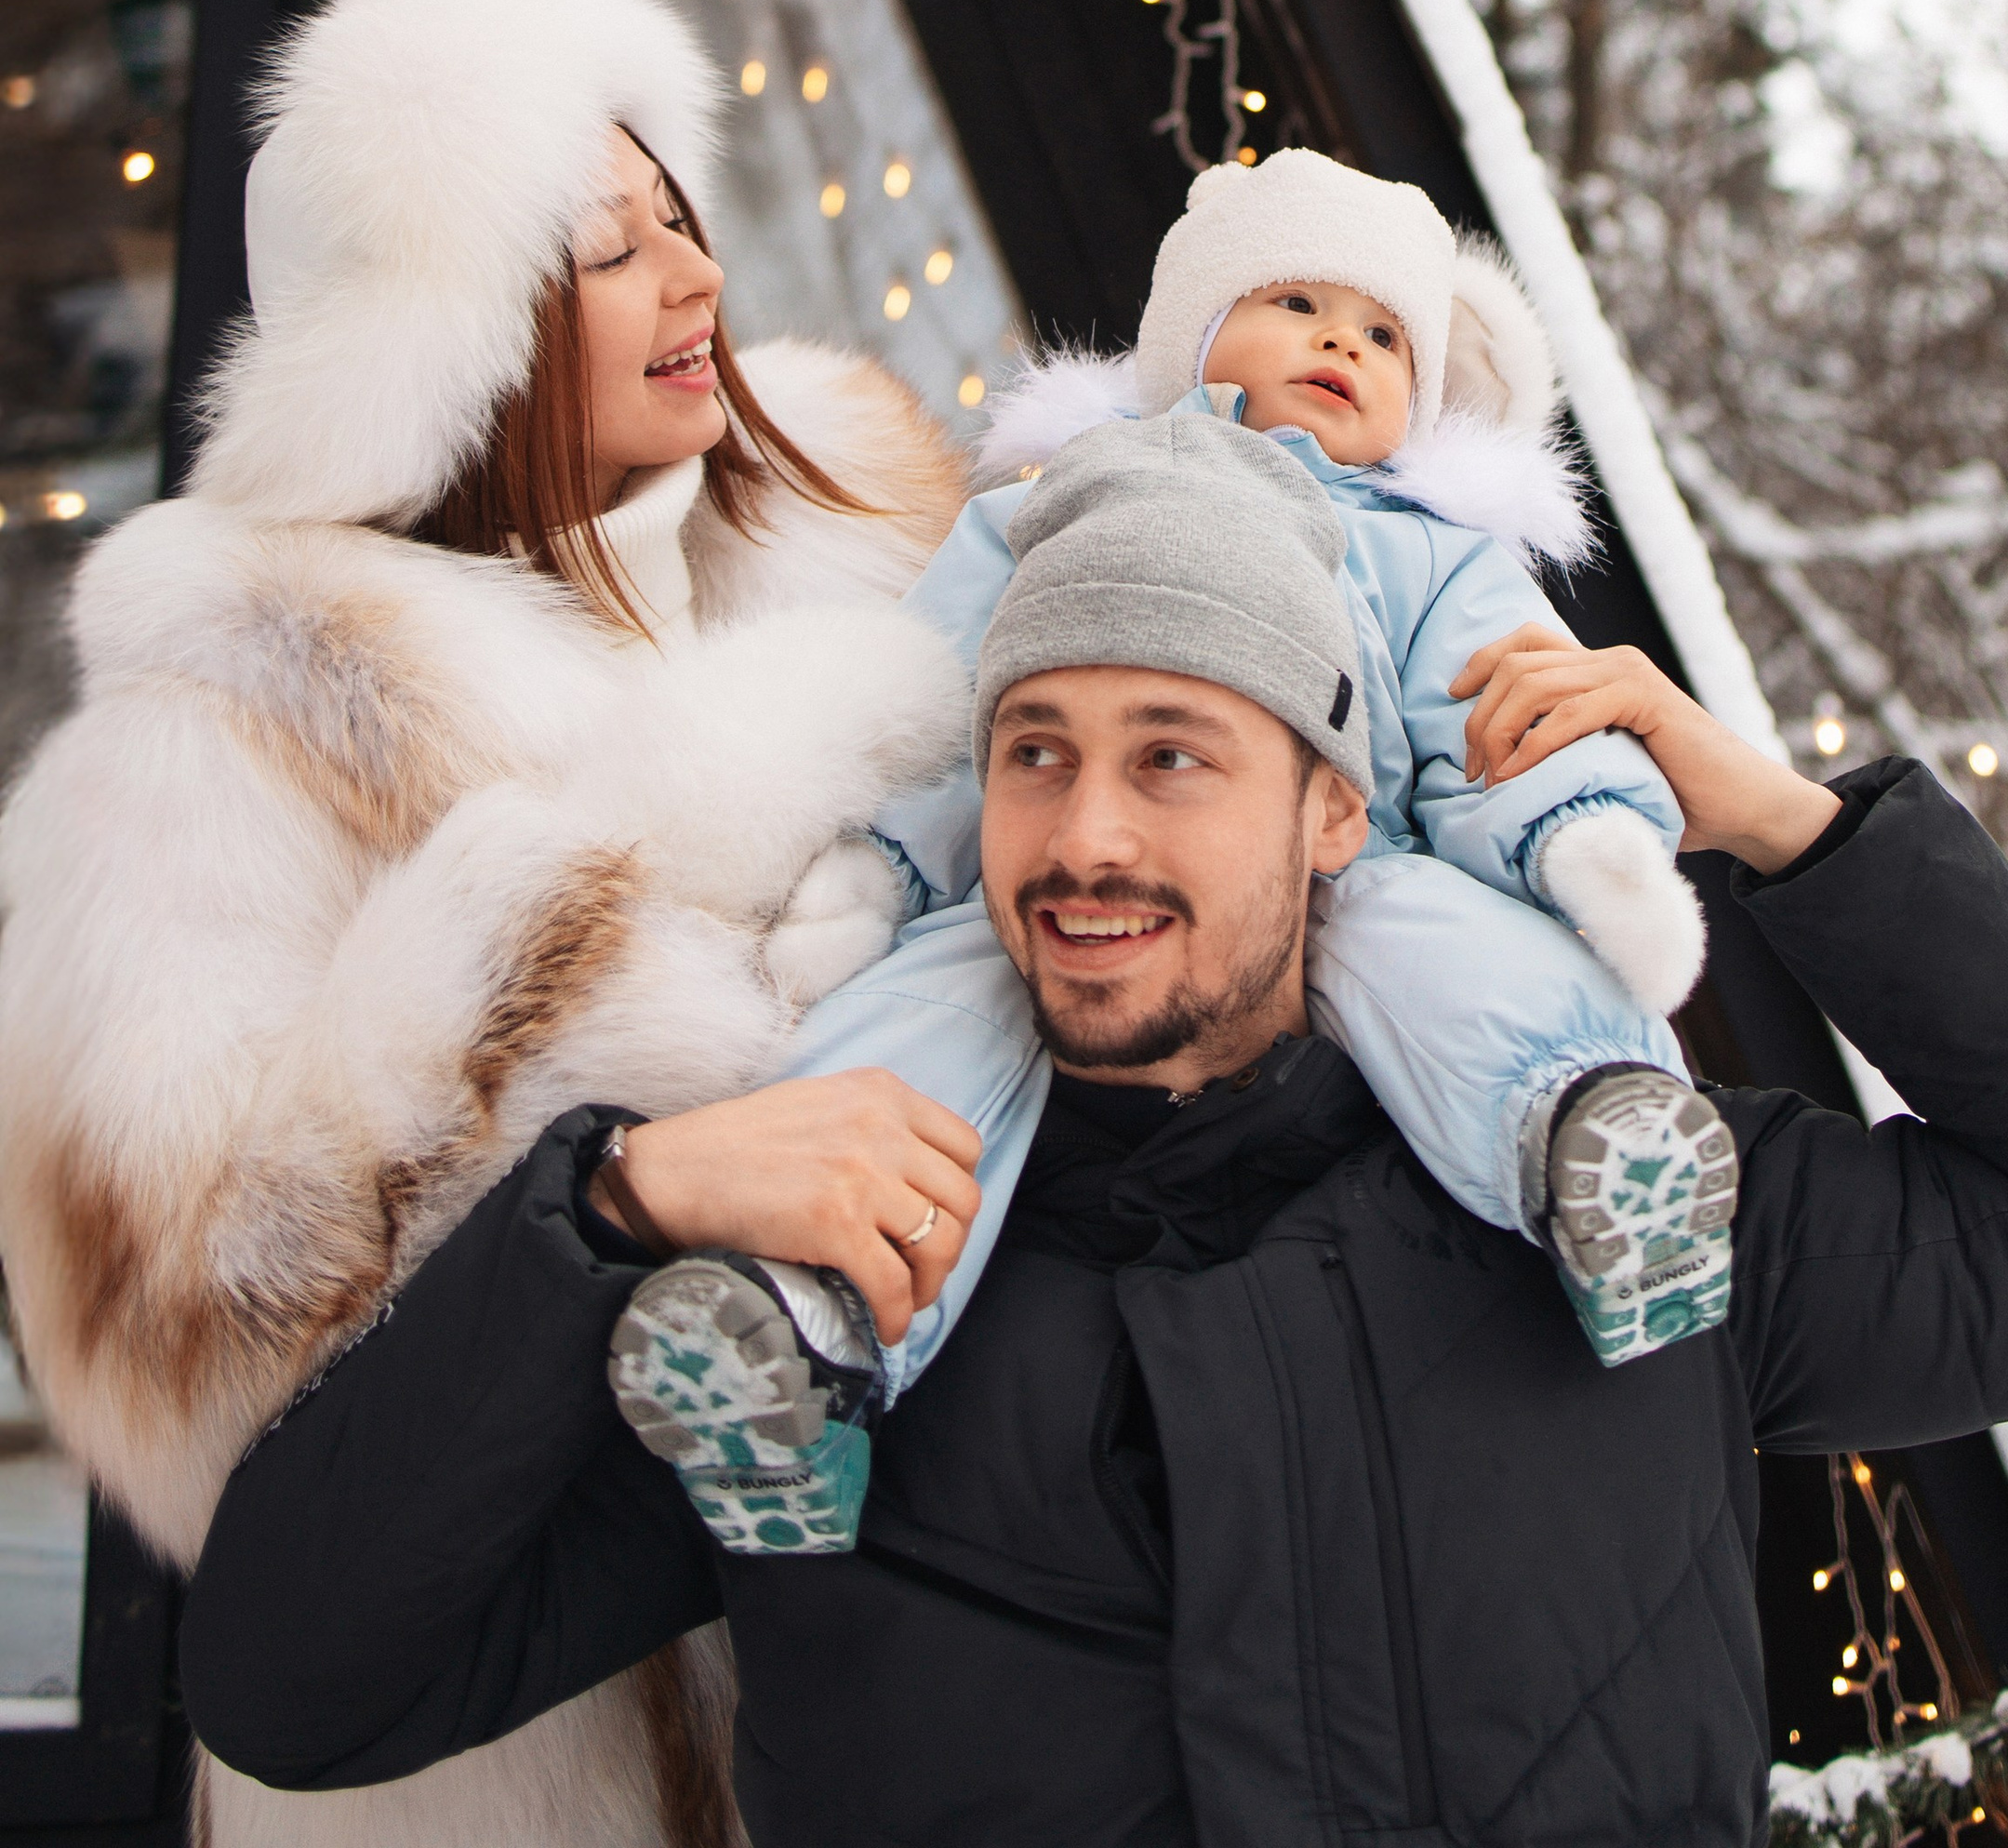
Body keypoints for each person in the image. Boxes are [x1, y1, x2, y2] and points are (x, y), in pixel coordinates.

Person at [180, 414, 2008, 1848]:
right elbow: (296, 1681)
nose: (1083, 836)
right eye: (1033, 756)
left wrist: (1781, 824)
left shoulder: (1623, 1208)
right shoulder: (825, 1293)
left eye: (1172, 753)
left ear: (1334, 810)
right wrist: (607, 1214)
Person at [0, 0, 970, 1848]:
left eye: (679, 218)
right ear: (444, 321)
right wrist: (577, 1094)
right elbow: (175, 1354)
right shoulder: (208, 745)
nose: (693, 275)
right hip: (488, 1771)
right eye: (609, 248)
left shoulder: (882, 576)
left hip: (884, 1717)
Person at [682, 145, 1734, 1508]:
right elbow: (953, 709)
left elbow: (1503, 704)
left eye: (1380, 333)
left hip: (1361, 859)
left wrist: (1570, 823)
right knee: (933, 1010)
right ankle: (806, 1309)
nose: (1341, 344)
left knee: (1452, 950)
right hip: (1054, 907)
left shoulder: (1426, 548)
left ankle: (1589, 1140)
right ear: (1196, 325)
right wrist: (882, 865)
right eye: (1300, 303)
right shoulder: (1060, 498)